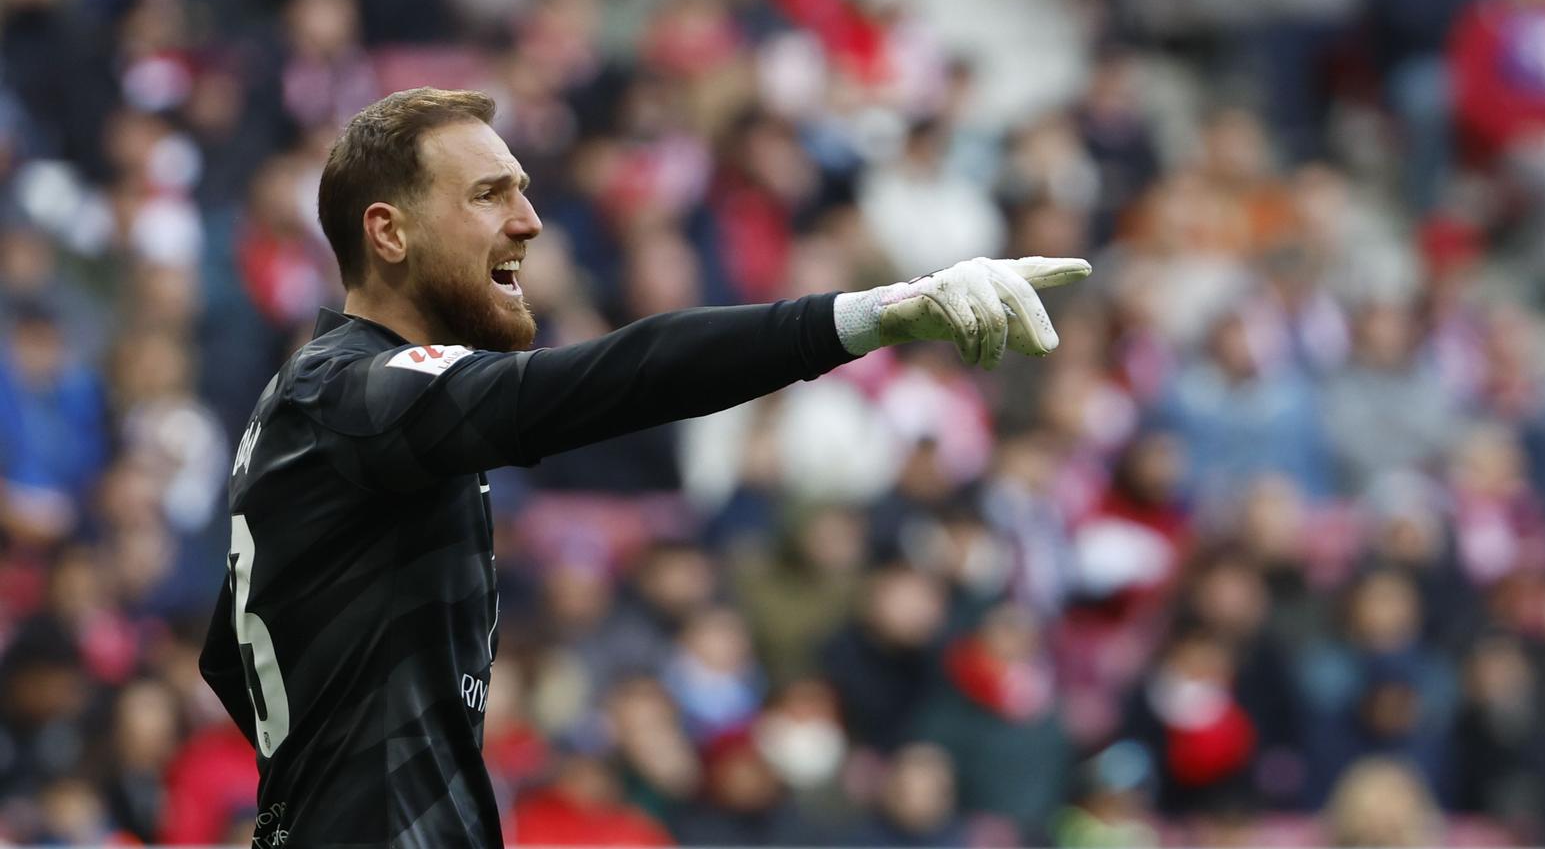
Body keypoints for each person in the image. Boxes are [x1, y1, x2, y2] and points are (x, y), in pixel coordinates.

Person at [196, 87, 1089, 845]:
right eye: (487, 195)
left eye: (525, 190)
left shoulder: (327, 409)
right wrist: (868, 317)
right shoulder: (356, 391)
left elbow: (230, 660)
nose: (529, 220)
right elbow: (613, 378)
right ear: (387, 233)